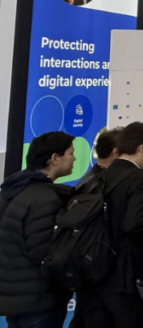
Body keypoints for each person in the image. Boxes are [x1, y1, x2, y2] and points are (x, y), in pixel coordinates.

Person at [76, 121, 143, 328]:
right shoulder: (140, 178)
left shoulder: (96, 179)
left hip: (93, 271)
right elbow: (135, 224)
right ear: (142, 147)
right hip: (125, 275)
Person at [0, 132, 76, 328]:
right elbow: (42, 252)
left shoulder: (11, 190)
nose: (74, 158)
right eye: (70, 153)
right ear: (54, 158)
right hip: (38, 300)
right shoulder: (45, 197)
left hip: (14, 297)